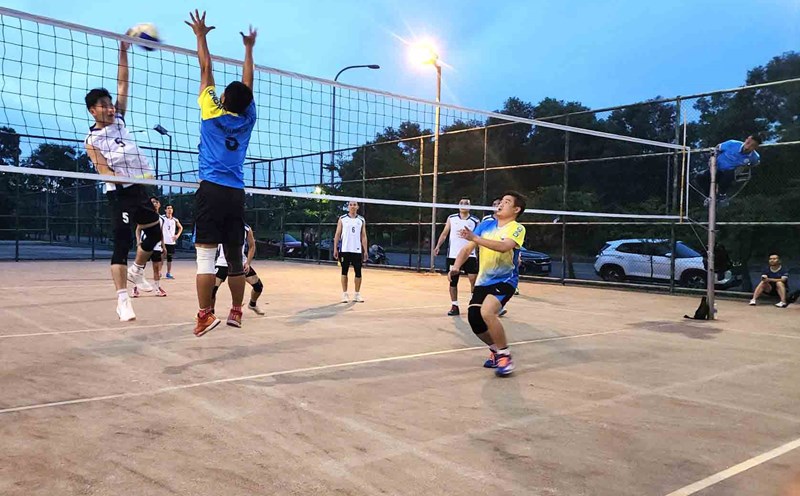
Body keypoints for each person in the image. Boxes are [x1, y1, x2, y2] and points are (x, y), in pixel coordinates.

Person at [186, 11, 258, 336]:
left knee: (205, 258)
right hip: (235, 193)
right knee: (234, 258)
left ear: (224, 98)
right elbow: (248, 85)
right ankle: (237, 311)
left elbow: (206, 69)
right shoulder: (248, 119)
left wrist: (201, 36)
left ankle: (205, 315)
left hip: (211, 190)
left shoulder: (211, 110)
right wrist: (249, 49)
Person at [84, 38, 161, 322]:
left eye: (110, 105)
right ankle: (122, 301)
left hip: (138, 189)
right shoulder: (92, 140)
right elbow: (104, 170)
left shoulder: (119, 121)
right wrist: (130, 177)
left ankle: (136, 271)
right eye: (104, 106)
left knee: (154, 234)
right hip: (119, 194)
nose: (110, 108)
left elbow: (123, 84)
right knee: (122, 244)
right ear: (93, 110)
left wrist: (123, 51)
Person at [450, 191, 527, 377]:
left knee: (487, 312)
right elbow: (467, 249)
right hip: (483, 281)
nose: (501, 204)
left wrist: (475, 238)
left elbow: (504, 247)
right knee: (474, 318)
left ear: (516, 209)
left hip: (505, 280)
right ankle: (495, 350)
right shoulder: (485, 225)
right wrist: (456, 267)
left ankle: (505, 356)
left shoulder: (517, 228)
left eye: (506, 202)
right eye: (501, 201)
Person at [434, 198, 480, 316]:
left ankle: (473, 304)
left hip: (470, 255)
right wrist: (438, 246)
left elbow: (479, 238)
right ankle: (455, 306)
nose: (464, 205)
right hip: (453, 255)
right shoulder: (451, 218)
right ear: (458, 205)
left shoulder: (475, 220)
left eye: (466, 203)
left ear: (470, 206)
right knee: (453, 281)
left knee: (473, 279)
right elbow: (444, 234)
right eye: (461, 203)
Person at [212, 224, 266, 316]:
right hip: (222, 263)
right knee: (212, 289)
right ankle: (210, 313)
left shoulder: (246, 228)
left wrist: (248, 263)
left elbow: (252, 246)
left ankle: (252, 304)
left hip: (240, 263)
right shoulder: (220, 225)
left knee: (258, 286)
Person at [696, 135, 762, 205]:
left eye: (752, 146)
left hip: (729, 174)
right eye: (748, 143)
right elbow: (718, 147)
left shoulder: (754, 157)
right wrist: (712, 159)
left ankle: (722, 195)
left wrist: (744, 168)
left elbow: (755, 163)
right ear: (746, 140)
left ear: (756, 147)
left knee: (728, 175)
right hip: (716, 169)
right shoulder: (732, 143)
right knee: (700, 177)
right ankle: (709, 196)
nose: (748, 147)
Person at [482, 197, 519, 309]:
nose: (498, 206)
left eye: (501, 204)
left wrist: (518, 255)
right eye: (495, 204)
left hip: (504, 259)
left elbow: (511, 243)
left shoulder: (512, 224)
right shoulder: (486, 220)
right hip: (488, 257)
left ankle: (498, 305)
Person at [132, 196, 168, 298]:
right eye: (152, 202)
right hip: (145, 246)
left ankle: (157, 288)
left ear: (159, 204)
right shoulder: (146, 217)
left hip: (156, 246)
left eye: (156, 202)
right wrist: (138, 242)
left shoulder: (162, 219)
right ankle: (135, 288)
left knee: (156, 268)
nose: (154, 204)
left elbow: (160, 233)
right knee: (139, 269)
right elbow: (138, 229)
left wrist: (163, 246)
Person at [333, 201, 367, 303]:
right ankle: (345, 294)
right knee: (344, 271)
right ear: (348, 207)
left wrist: (365, 250)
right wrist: (335, 248)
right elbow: (337, 234)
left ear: (357, 207)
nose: (352, 206)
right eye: (350, 205)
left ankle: (357, 294)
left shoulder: (361, 220)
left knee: (358, 272)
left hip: (357, 250)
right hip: (345, 249)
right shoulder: (342, 219)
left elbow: (363, 236)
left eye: (354, 205)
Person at [162, 204, 183, 279]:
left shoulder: (175, 220)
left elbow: (181, 228)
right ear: (165, 210)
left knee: (169, 258)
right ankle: (158, 272)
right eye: (168, 208)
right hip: (163, 241)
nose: (170, 210)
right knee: (161, 257)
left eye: (171, 208)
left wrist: (177, 235)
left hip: (171, 241)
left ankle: (168, 273)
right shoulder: (162, 218)